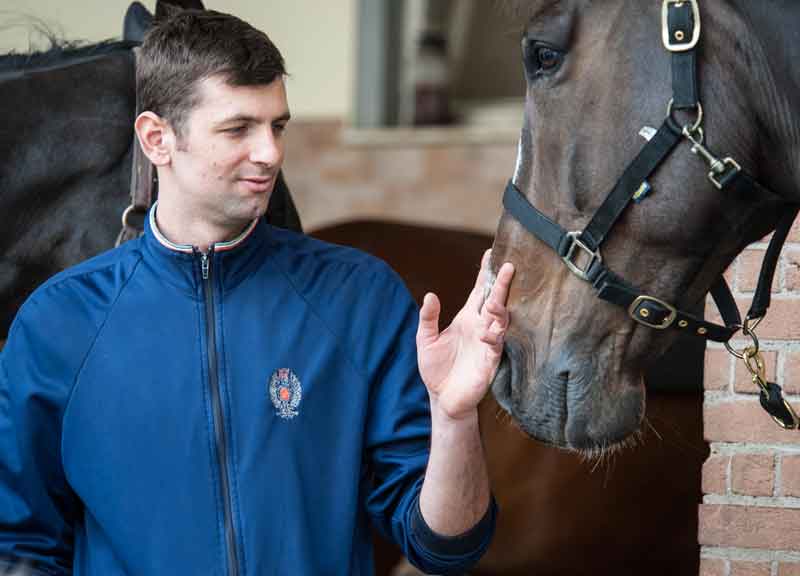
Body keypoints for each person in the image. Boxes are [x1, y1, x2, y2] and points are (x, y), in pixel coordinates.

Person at [0, 9, 514, 576]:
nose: (270, 153)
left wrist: (454, 417)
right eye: (238, 128)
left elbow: (445, 546)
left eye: (278, 126)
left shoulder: (360, 298)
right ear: (157, 139)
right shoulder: (58, 323)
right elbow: (21, 548)